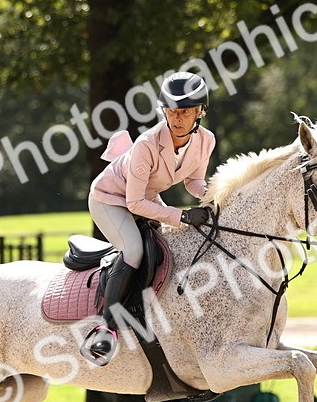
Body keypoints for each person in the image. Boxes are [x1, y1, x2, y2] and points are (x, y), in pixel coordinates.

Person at [81, 71, 216, 365]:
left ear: (200, 112)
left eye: (184, 112)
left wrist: (214, 195)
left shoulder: (206, 141)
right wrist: (181, 215)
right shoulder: (148, 143)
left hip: (146, 196)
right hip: (110, 199)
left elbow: (194, 181)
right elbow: (134, 202)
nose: (177, 118)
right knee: (134, 250)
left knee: (169, 247)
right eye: (171, 111)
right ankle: (106, 327)